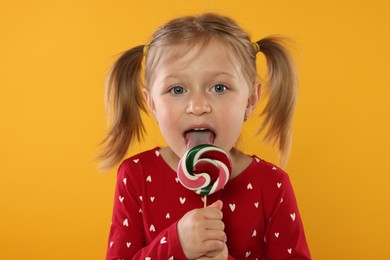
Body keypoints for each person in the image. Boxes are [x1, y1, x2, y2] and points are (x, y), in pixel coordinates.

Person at [100, 13, 311, 260]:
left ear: (250, 100)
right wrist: (175, 244)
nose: (197, 106)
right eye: (177, 89)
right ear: (152, 104)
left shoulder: (272, 185)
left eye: (219, 88)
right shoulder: (136, 175)